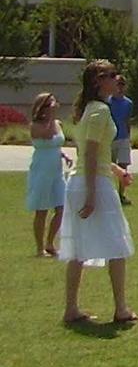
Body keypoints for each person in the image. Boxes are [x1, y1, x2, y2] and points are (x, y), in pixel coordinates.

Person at [60, 59, 136, 326]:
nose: (116, 79)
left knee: (80, 248)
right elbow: (90, 153)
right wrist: (92, 194)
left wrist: (118, 172)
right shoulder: (99, 111)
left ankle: (71, 308)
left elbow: (95, 154)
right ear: (98, 82)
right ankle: (121, 308)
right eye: (111, 75)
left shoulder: (91, 110)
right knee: (117, 243)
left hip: (88, 180)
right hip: (91, 183)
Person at [26, 93, 68, 258]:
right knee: (42, 210)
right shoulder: (35, 125)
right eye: (50, 104)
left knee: (61, 207)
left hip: (57, 171)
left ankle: (50, 242)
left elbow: (56, 144)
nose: (54, 106)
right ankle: (39, 248)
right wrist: (50, 117)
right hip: (41, 171)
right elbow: (48, 136)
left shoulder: (57, 123)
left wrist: (64, 155)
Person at [109, 74, 135, 206]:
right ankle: (110, 194)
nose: (119, 87)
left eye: (122, 85)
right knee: (109, 167)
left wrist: (128, 136)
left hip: (123, 138)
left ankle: (121, 194)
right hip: (110, 138)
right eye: (117, 84)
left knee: (123, 166)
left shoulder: (128, 103)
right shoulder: (107, 102)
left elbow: (127, 120)